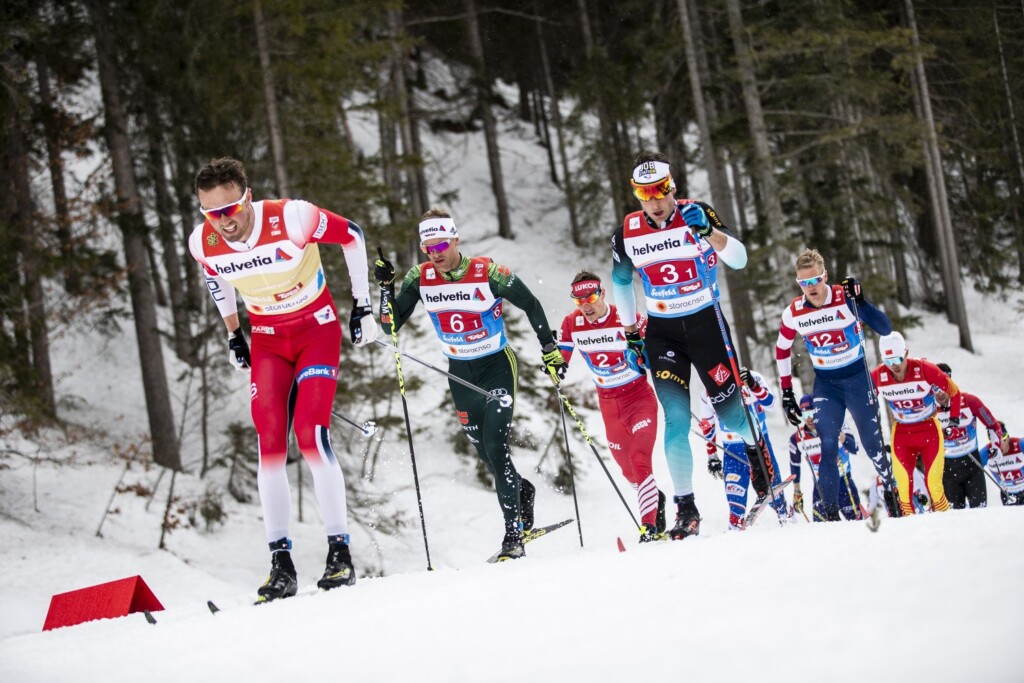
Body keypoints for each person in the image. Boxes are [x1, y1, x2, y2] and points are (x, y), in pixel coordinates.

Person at [188, 157, 378, 603]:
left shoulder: (291, 217)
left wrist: (363, 304)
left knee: (310, 434)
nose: (222, 222)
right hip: (269, 340)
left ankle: (339, 554)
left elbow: (352, 235)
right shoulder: (203, 242)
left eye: (229, 210)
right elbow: (217, 279)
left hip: (316, 329)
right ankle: (281, 564)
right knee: (270, 441)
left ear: (247, 197)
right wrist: (234, 333)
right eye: (211, 214)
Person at [374, 208, 564, 561]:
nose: (436, 253)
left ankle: (513, 537)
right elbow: (390, 326)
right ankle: (522, 491)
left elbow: (531, 303)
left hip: (496, 368)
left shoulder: (487, 272)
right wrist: (385, 289)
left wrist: (550, 349)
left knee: (495, 445)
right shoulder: (419, 277)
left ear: (455, 239)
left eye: (442, 244)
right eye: (429, 247)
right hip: (459, 374)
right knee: (486, 455)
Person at [610, 151, 770, 540]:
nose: (655, 201)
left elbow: (739, 259)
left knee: (731, 417)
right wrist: (631, 333)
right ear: (637, 195)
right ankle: (687, 508)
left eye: (661, 191)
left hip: (706, 325)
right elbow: (620, 282)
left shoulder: (697, 212)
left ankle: (755, 453)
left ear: (672, 188)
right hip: (663, 333)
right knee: (676, 421)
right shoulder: (627, 231)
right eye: (645, 194)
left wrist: (710, 233)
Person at [774, 248, 899, 522]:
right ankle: (829, 516)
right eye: (803, 283)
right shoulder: (794, 311)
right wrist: (786, 391)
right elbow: (782, 348)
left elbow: (886, 328)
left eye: (815, 280)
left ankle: (891, 490)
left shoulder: (845, 298)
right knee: (828, 444)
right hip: (827, 385)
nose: (811, 288)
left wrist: (862, 301)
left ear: (825, 276)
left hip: (856, 379)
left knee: (872, 445)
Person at [555, 271, 665, 542]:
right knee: (629, 472)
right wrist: (553, 365)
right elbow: (560, 360)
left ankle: (648, 528)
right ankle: (655, 498)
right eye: (579, 300)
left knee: (640, 459)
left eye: (591, 297)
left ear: (602, 294)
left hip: (638, 398)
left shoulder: (628, 318)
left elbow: (656, 357)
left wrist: (641, 357)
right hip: (608, 405)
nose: (587, 306)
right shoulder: (571, 323)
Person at [871, 331, 961, 515]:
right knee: (903, 492)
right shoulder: (879, 375)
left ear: (906, 353)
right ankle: (911, 536)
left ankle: (949, 524)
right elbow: (864, 401)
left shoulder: (925, 368)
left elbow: (954, 391)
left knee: (934, 487)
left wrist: (953, 420)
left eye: (897, 359)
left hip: (929, 430)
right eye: (888, 361)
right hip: (902, 435)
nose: (894, 366)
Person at [697, 368, 789, 530]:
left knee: (775, 497)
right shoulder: (708, 390)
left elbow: (772, 406)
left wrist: (754, 386)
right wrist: (712, 455)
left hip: (761, 447)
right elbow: (708, 425)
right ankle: (735, 534)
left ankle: (788, 521)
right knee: (735, 505)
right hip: (732, 451)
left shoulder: (751, 377)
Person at [932, 362, 1003, 509]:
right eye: (934, 388)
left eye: (942, 387)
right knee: (955, 517)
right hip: (947, 469)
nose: (939, 393)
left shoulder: (969, 401)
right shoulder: (929, 409)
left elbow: (992, 425)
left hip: (972, 464)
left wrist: (997, 446)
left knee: (980, 511)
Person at [789, 394, 864, 521]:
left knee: (855, 524)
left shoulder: (837, 422)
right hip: (820, 488)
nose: (809, 419)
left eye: (812, 413)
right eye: (805, 415)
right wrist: (797, 491)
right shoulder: (797, 438)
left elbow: (854, 448)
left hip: (843, 483)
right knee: (822, 528)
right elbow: (795, 465)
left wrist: (840, 436)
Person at [986, 422, 1024, 506]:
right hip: (1007, 494)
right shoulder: (987, 451)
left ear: (1008, 438)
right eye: (997, 443)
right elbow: (971, 467)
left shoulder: (1019, 444)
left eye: (1003, 441)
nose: (1000, 446)